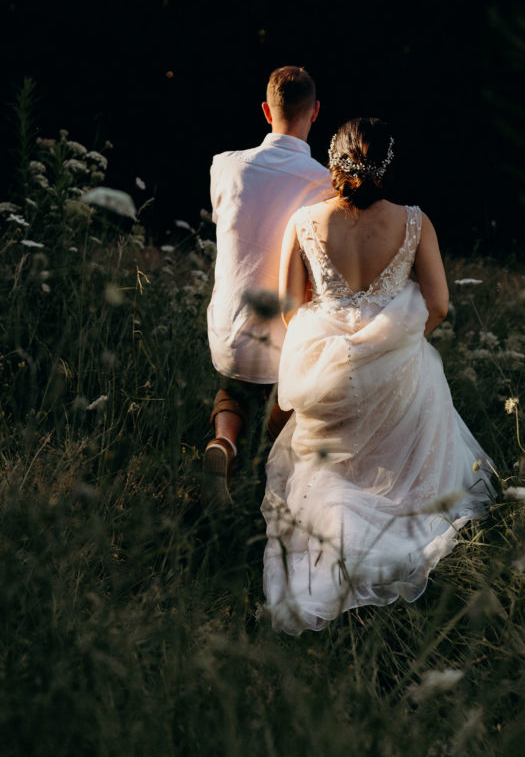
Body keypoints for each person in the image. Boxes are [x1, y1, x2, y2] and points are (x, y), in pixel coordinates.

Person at [261, 117, 495, 634]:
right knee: (401, 476)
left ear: (334, 159)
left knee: (332, 470)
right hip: (399, 371)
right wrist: (397, 342)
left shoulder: (303, 222)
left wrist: (332, 342)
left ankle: (336, 547)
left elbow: (286, 308)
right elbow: (437, 303)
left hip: (326, 369)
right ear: (387, 164)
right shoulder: (415, 222)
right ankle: (386, 546)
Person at [204, 66, 333, 503]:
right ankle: (267, 456)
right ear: (314, 112)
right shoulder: (326, 182)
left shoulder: (224, 166)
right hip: (286, 339)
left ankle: (224, 441)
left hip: (228, 332)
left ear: (266, 111)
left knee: (233, 388)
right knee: (289, 390)